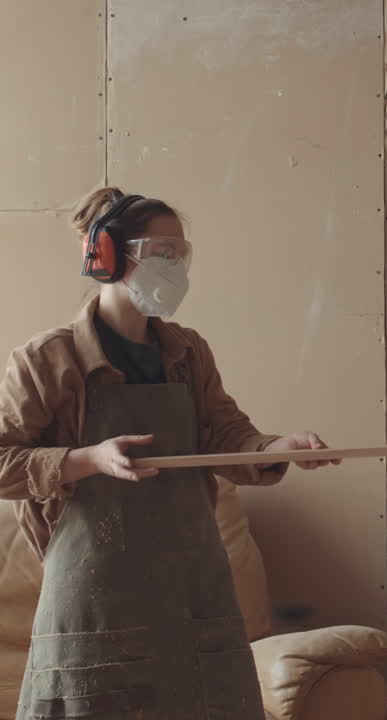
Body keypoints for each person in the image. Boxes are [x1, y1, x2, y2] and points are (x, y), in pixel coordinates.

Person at [0, 187, 340, 719]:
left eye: (180, 253)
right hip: (93, 596)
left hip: (191, 587)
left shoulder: (187, 352)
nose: (174, 265)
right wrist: (87, 459)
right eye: (160, 251)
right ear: (107, 256)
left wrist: (278, 447)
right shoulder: (48, 359)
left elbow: (226, 435)